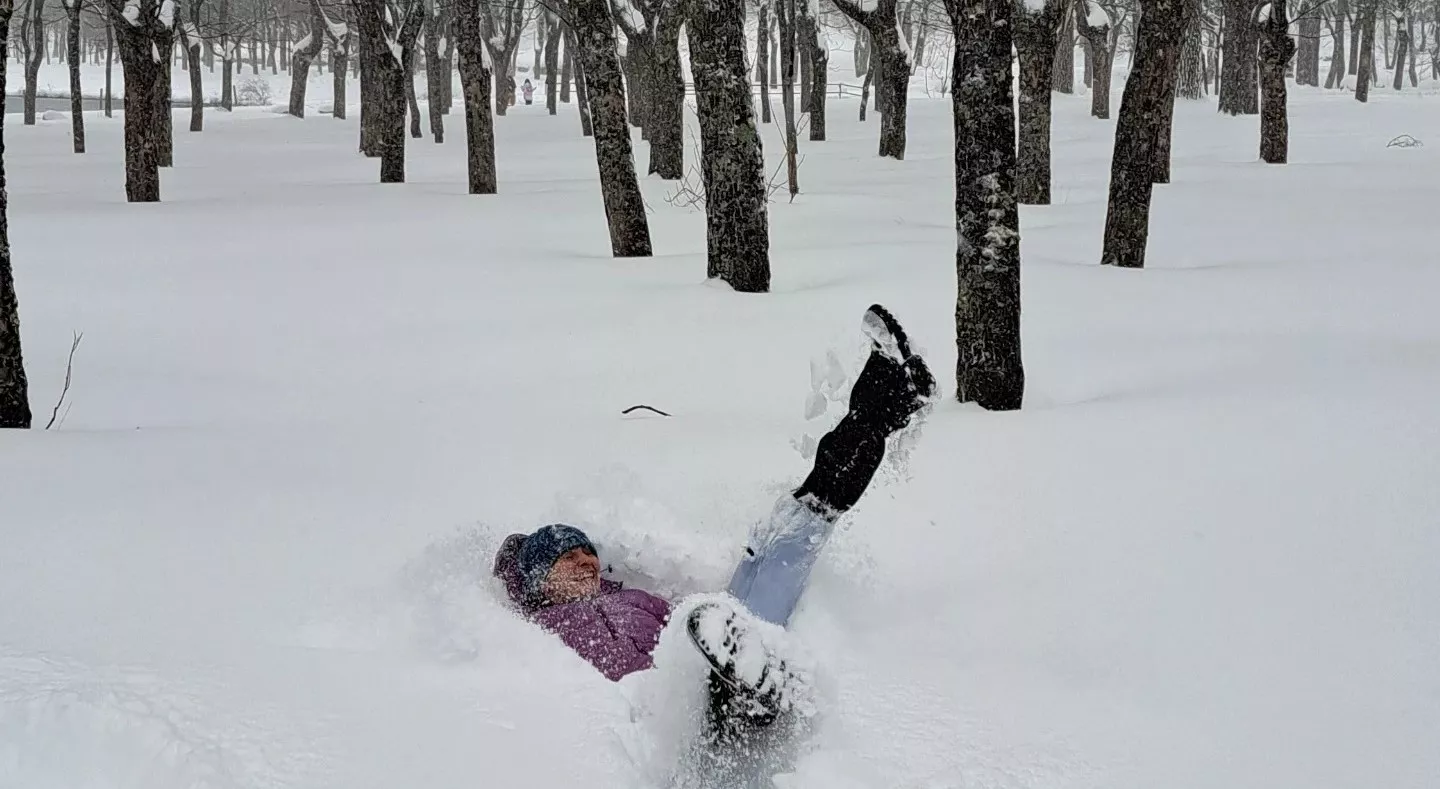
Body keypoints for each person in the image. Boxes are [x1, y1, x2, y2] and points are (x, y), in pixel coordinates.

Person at [492, 305, 935, 747]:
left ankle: (890, 395)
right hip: (701, 697)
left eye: (586, 552)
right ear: (540, 578)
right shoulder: (558, 626)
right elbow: (628, 681)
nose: (586, 562)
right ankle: (888, 400)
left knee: (773, 533)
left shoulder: (623, 596)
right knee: (790, 548)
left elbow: (688, 620)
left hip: (713, 653)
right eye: (568, 558)